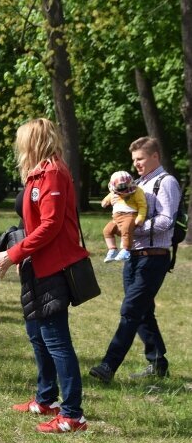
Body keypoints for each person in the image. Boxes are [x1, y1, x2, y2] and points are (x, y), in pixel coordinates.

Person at [0, 118, 88, 434]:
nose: (18, 147)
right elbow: (33, 224)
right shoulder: (39, 173)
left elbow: (51, 225)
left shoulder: (54, 173)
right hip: (36, 265)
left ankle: (72, 415)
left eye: (22, 141)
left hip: (52, 268)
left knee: (57, 341)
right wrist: (19, 251)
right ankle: (47, 399)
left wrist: (12, 253)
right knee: (37, 334)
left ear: (34, 141)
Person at [89, 136, 181, 383]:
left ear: (155, 156)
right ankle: (158, 364)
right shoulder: (137, 183)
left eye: (140, 159)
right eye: (134, 160)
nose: (136, 164)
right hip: (133, 256)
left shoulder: (166, 182)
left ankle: (108, 366)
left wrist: (132, 229)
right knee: (142, 312)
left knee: (130, 309)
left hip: (154, 257)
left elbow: (166, 221)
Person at [101, 170, 147, 263]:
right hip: (116, 217)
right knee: (107, 230)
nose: (122, 193)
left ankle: (126, 250)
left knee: (126, 229)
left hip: (130, 215)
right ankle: (112, 249)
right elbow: (106, 200)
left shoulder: (137, 191)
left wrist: (140, 217)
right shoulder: (114, 193)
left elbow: (142, 205)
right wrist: (105, 203)